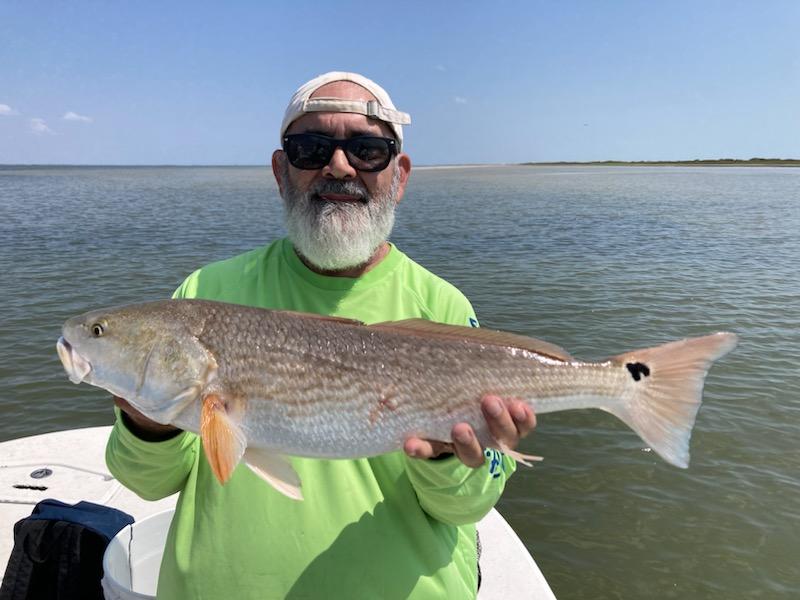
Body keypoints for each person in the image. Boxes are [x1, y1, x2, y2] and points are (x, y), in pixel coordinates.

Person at [106, 71, 536, 599]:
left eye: (367, 150)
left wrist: (448, 456)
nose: (339, 166)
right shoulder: (204, 292)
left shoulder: (442, 307)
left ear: (399, 175)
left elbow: (465, 507)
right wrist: (145, 420)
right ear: (279, 170)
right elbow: (148, 483)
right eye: (310, 149)